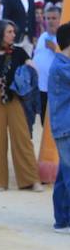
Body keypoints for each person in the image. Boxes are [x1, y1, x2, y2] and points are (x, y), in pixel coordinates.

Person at [0, 19, 40, 191]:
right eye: (9, 32)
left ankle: (31, 180)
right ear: (0, 34)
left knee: (22, 138)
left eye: (13, 32)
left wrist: (23, 78)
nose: (13, 34)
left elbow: (32, 68)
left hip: (14, 96)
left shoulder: (19, 52)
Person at [48, 24, 70, 230]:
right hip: (66, 128)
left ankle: (62, 220)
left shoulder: (61, 64)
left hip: (64, 127)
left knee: (65, 175)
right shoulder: (63, 67)